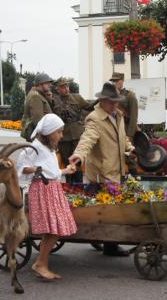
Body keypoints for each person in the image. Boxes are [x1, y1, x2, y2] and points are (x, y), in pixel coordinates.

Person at [68, 82, 135, 256]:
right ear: (103, 101)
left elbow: (122, 138)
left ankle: (98, 238)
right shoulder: (95, 118)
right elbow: (87, 139)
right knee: (108, 211)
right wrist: (79, 155)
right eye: (112, 102)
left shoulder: (117, 115)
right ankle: (109, 246)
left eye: (117, 101)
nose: (115, 105)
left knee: (103, 209)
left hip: (115, 169)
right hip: (101, 173)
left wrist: (130, 148)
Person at [17, 114, 78, 280]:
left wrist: (65, 171)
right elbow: (21, 168)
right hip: (43, 189)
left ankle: (41, 263)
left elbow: (50, 170)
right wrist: (35, 169)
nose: (61, 135)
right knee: (53, 228)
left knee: (55, 228)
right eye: (59, 132)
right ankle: (40, 264)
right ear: (49, 133)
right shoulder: (34, 147)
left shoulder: (48, 148)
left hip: (52, 188)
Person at [52, 77, 96, 183]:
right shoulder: (54, 101)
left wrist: (99, 100)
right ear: (58, 89)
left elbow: (89, 107)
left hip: (77, 134)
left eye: (67, 86)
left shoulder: (77, 98)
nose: (66, 89)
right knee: (67, 161)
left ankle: (79, 185)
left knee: (78, 162)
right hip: (64, 136)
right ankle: (69, 187)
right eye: (62, 87)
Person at [21, 73, 53, 142]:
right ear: (40, 84)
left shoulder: (38, 95)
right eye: (47, 83)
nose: (50, 85)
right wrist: (48, 137)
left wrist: (49, 99)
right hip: (40, 137)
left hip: (39, 136)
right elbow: (38, 121)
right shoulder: (35, 96)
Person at [110, 72, 138, 138]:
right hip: (113, 131)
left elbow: (134, 117)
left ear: (122, 81)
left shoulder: (130, 96)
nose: (114, 83)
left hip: (125, 130)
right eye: (113, 81)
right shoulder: (110, 96)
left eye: (116, 81)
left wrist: (129, 135)